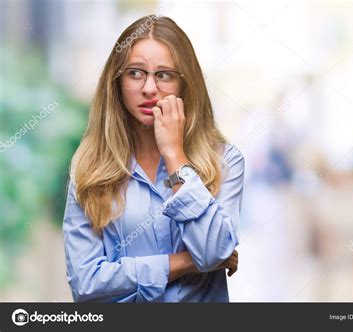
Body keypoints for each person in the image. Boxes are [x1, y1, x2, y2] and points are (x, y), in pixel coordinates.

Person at [62, 15, 245, 302]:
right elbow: (86, 285)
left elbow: (211, 251)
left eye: (164, 75)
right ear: (118, 83)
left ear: (186, 84)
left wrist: (175, 157)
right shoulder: (90, 167)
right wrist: (182, 263)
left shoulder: (224, 161)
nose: (149, 88)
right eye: (135, 73)